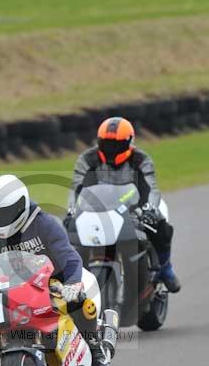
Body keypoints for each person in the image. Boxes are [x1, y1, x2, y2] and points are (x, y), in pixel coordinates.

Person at [0, 174, 111, 366]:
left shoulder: (44, 224)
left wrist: (72, 284)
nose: (1, 219)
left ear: (21, 206)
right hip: (14, 290)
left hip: (55, 283)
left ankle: (97, 355)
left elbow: (69, 258)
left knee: (81, 303)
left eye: (6, 212)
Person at [66, 117, 180, 293]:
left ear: (129, 143)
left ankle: (165, 268)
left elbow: (152, 188)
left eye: (116, 144)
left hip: (134, 207)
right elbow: (77, 188)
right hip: (99, 208)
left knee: (161, 227)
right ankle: (75, 276)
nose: (111, 149)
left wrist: (150, 208)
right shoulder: (87, 159)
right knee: (68, 231)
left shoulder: (141, 159)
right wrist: (72, 210)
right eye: (107, 143)